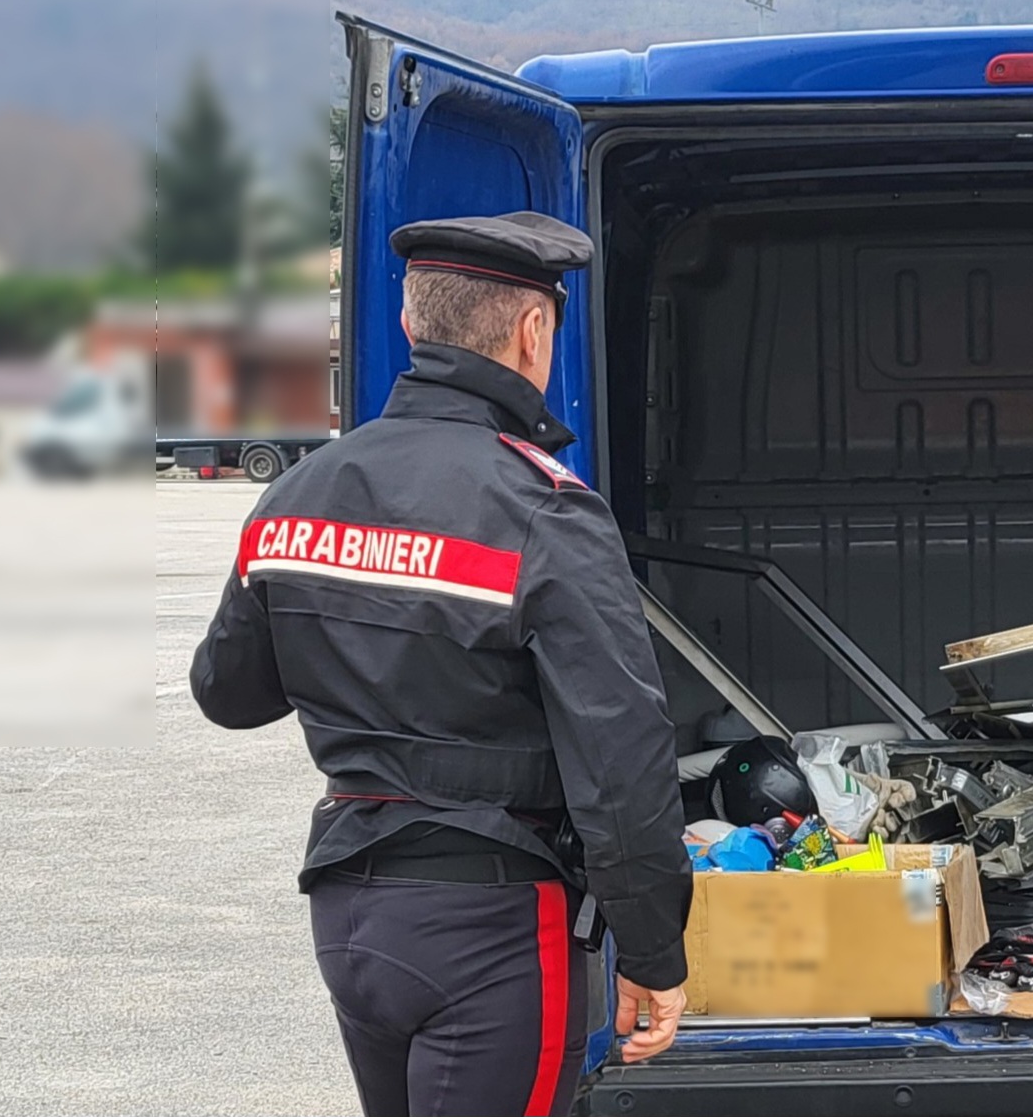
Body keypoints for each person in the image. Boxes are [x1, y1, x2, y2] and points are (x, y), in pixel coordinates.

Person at [189, 211, 692, 1117]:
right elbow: (621, 757)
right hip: (490, 924)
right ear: (533, 330)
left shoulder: (300, 490)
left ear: (415, 326)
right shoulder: (542, 508)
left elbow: (227, 694)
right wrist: (654, 952)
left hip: (350, 915)